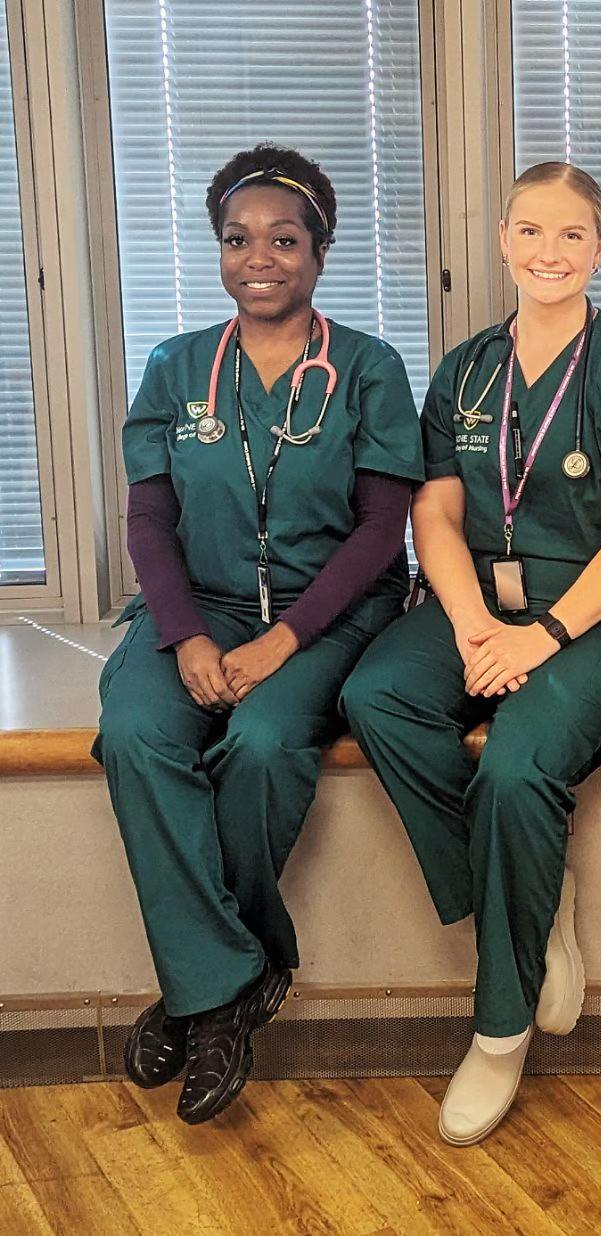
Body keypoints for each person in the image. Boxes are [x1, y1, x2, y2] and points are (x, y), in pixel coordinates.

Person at [340, 161, 601, 1146]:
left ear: (599, 249)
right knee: (379, 697)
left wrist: (544, 635)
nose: (549, 252)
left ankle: (499, 1028)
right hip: (481, 607)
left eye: (571, 235)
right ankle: (528, 899)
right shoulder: (466, 369)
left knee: (518, 765)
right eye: (531, 231)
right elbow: (437, 513)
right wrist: (466, 626)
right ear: (501, 238)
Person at [96, 143, 424, 1124]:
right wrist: (188, 636)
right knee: (138, 736)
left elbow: (381, 529)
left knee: (268, 741)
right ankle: (233, 988)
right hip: (197, 605)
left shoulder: (365, 367)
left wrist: (286, 643)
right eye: (238, 239)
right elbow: (149, 520)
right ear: (219, 251)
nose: (260, 258)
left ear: (318, 252)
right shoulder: (175, 366)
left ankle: (199, 992)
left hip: (328, 611)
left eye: (284, 239)